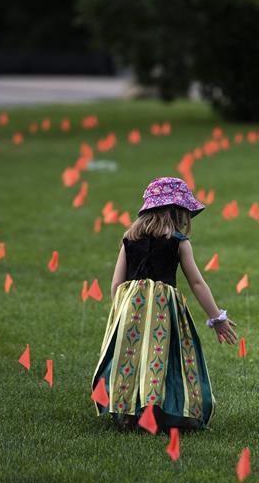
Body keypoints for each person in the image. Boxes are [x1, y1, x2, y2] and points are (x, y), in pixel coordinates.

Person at [91, 177, 236, 432]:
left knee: (130, 359)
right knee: (165, 359)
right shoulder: (179, 241)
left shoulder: (129, 239)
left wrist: (120, 312)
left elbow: (116, 283)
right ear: (177, 211)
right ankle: (167, 413)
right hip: (162, 311)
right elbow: (197, 283)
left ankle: (126, 413)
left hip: (130, 309)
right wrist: (217, 317)